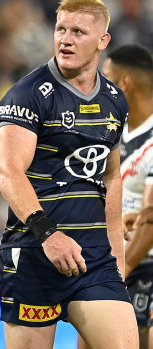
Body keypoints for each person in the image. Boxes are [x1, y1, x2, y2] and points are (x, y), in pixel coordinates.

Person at [0, 0, 138, 348]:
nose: (65, 40)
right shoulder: (27, 95)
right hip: (33, 255)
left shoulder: (115, 100)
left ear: (103, 40)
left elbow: (111, 176)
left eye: (78, 32)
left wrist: (116, 249)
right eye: (60, 30)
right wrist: (48, 235)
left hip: (94, 259)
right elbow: (8, 172)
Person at [102, 44, 153, 349]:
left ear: (124, 82)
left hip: (139, 266)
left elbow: (151, 218)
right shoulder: (115, 131)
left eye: (105, 78)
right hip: (105, 263)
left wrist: (123, 270)